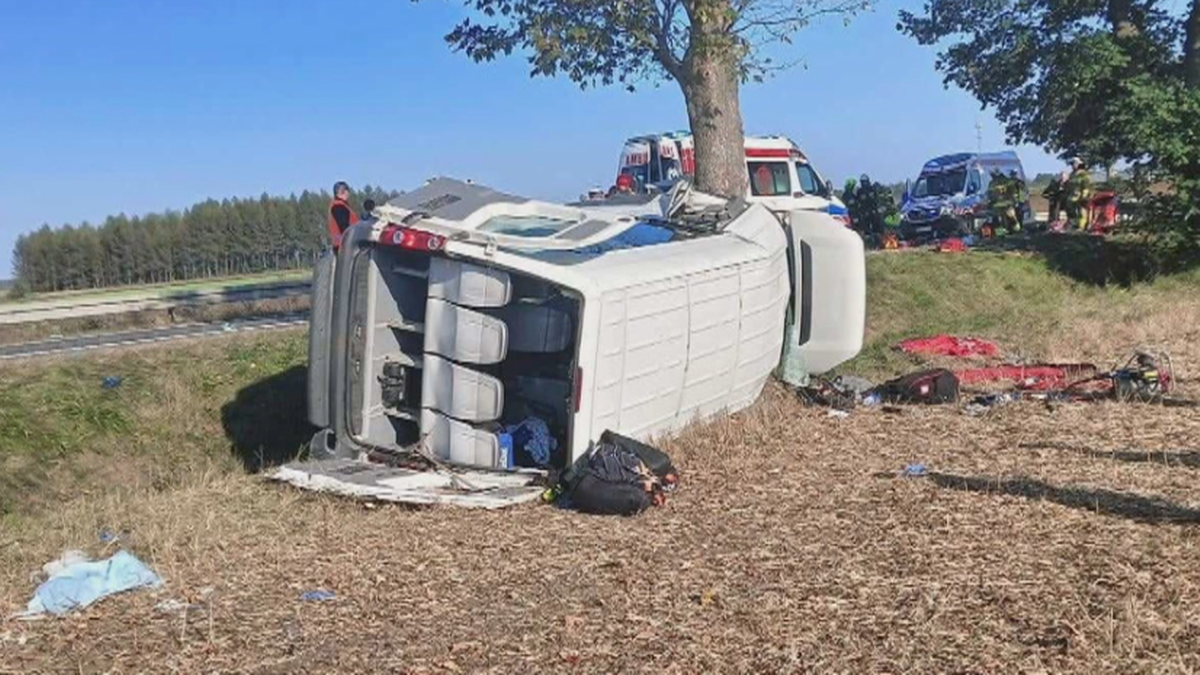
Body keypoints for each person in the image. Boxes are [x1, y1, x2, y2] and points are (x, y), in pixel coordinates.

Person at [327, 181, 359, 251]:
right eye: (347, 191)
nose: (348, 194)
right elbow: (344, 226)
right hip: (344, 244)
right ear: (343, 192)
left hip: (345, 242)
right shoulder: (338, 206)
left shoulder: (340, 205)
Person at [1065, 158, 1093, 231]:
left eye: (1073, 163)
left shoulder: (1083, 174)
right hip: (1071, 197)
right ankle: (1073, 225)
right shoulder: (1072, 174)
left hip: (1080, 197)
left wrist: (1083, 197)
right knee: (1071, 213)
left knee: (1082, 213)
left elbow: (1086, 187)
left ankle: (1081, 227)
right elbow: (1069, 186)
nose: (1072, 165)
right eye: (1071, 164)